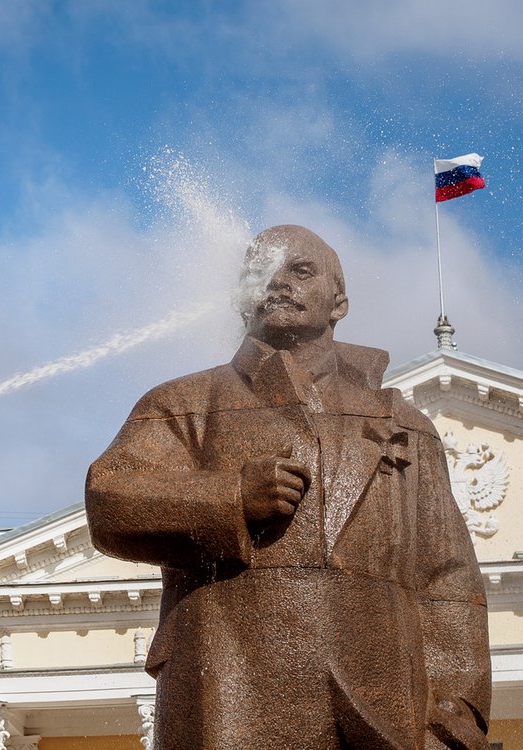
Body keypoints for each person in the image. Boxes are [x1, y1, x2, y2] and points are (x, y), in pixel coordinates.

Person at [85, 226, 491, 749]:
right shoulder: (186, 402)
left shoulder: (405, 423)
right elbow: (110, 498)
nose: (278, 282)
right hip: (231, 685)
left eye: (301, 271)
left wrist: (452, 720)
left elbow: (449, 580)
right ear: (241, 299)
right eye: (262, 272)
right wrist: (231, 497)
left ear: (338, 300)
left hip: (386, 701)